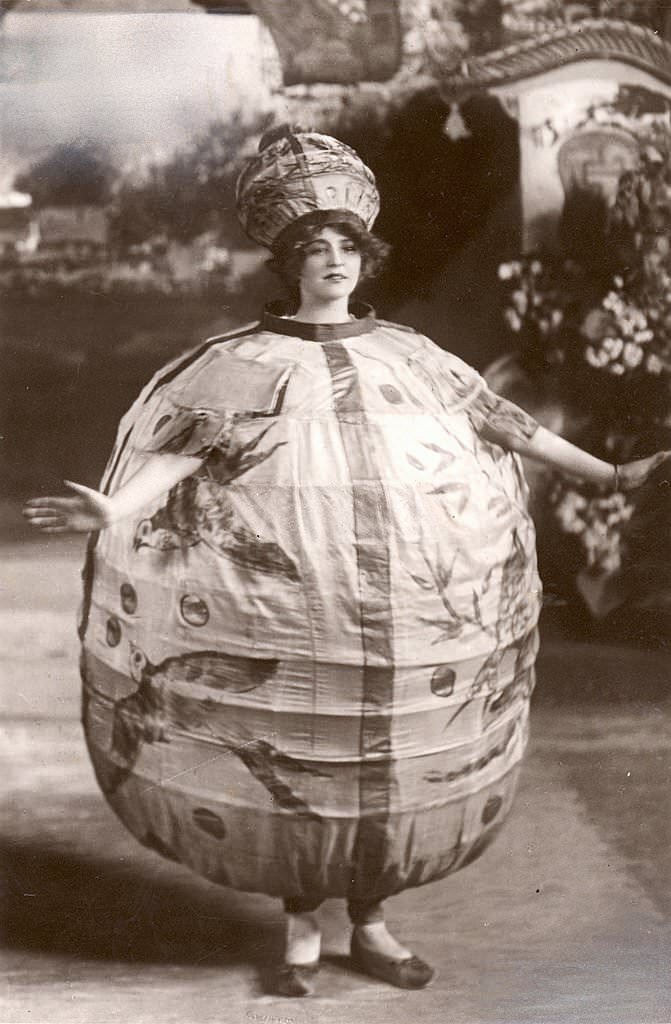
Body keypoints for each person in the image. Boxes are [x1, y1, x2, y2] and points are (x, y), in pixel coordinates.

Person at [24, 126, 671, 998]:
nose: (332, 261)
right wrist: (113, 508)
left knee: (395, 754)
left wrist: (609, 471)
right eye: (315, 248)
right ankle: (300, 931)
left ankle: (369, 924)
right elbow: (181, 456)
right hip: (286, 615)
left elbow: (509, 424)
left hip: (414, 611)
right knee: (294, 743)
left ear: (366, 261)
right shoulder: (235, 370)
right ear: (288, 263)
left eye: (346, 248)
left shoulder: (418, 361)